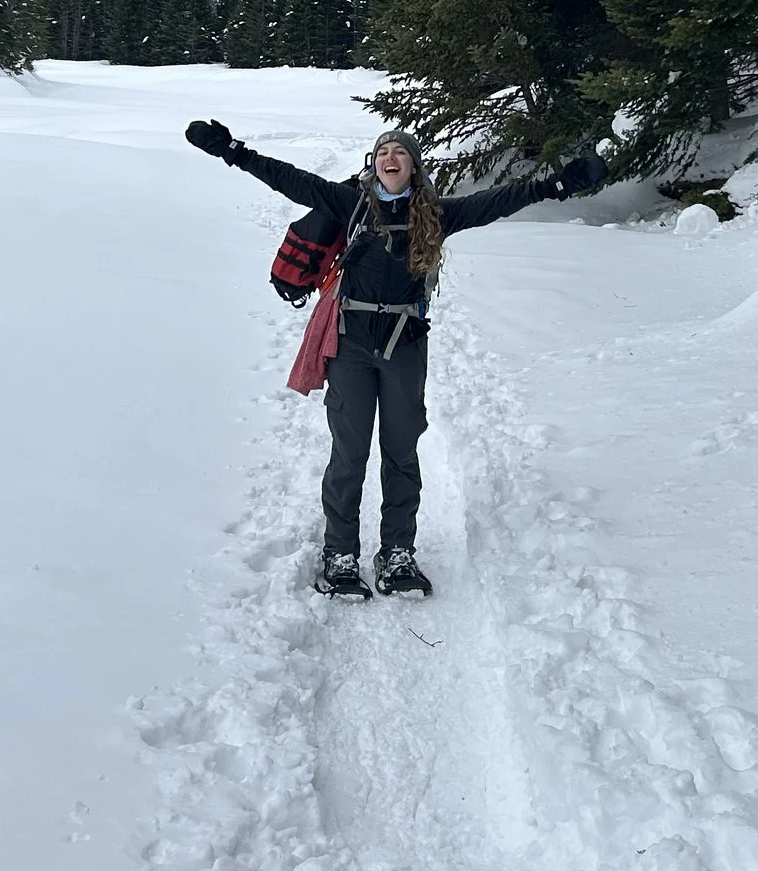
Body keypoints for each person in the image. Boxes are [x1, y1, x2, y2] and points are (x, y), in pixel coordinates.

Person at [186, 119, 606, 599]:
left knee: (401, 452)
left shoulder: (437, 215)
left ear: (413, 166)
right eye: (384, 150)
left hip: (404, 346)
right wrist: (235, 152)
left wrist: (556, 184)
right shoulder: (352, 205)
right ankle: (340, 552)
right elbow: (292, 180)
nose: (391, 157)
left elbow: (500, 200)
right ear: (374, 163)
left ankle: (398, 551)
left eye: (401, 152)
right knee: (349, 454)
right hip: (350, 345)